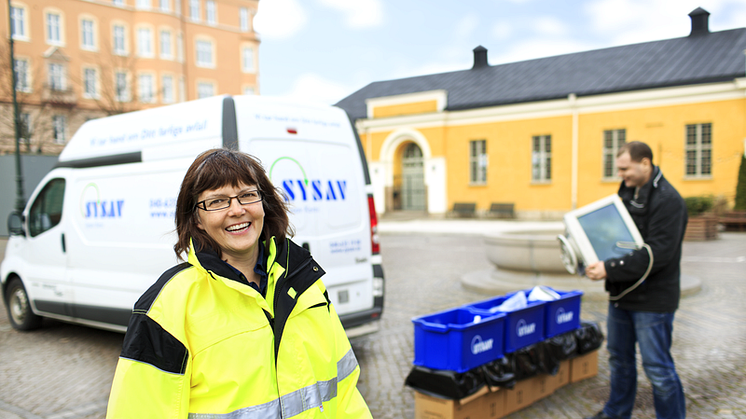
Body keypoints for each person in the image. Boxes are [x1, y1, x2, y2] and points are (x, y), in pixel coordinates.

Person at [106, 148, 372, 418]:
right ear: (197, 220)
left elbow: (346, 390)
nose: (237, 210)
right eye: (217, 201)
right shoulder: (166, 308)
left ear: (264, 204)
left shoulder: (306, 285)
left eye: (247, 195)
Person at [583, 141, 687, 419]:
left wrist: (609, 268)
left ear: (645, 163)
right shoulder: (628, 191)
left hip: (653, 301)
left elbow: (657, 254)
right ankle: (616, 413)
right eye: (618, 170)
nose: (621, 175)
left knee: (658, 369)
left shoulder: (668, 200)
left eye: (625, 169)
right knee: (620, 361)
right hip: (622, 296)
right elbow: (615, 237)